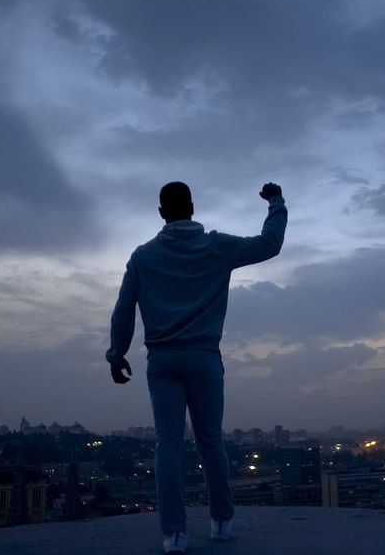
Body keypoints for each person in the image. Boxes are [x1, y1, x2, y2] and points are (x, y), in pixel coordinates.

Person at [105, 181, 287, 554]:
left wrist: (116, 353)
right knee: (210, 441)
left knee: (167, 444)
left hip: (162, 360)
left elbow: (124, 310)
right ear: (192, 207)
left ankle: (174, 535)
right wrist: (275, 201)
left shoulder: (143, 256)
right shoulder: (216, 247)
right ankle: (221, 523)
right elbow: (270, 244)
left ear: (161, 213)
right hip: (203, 357)